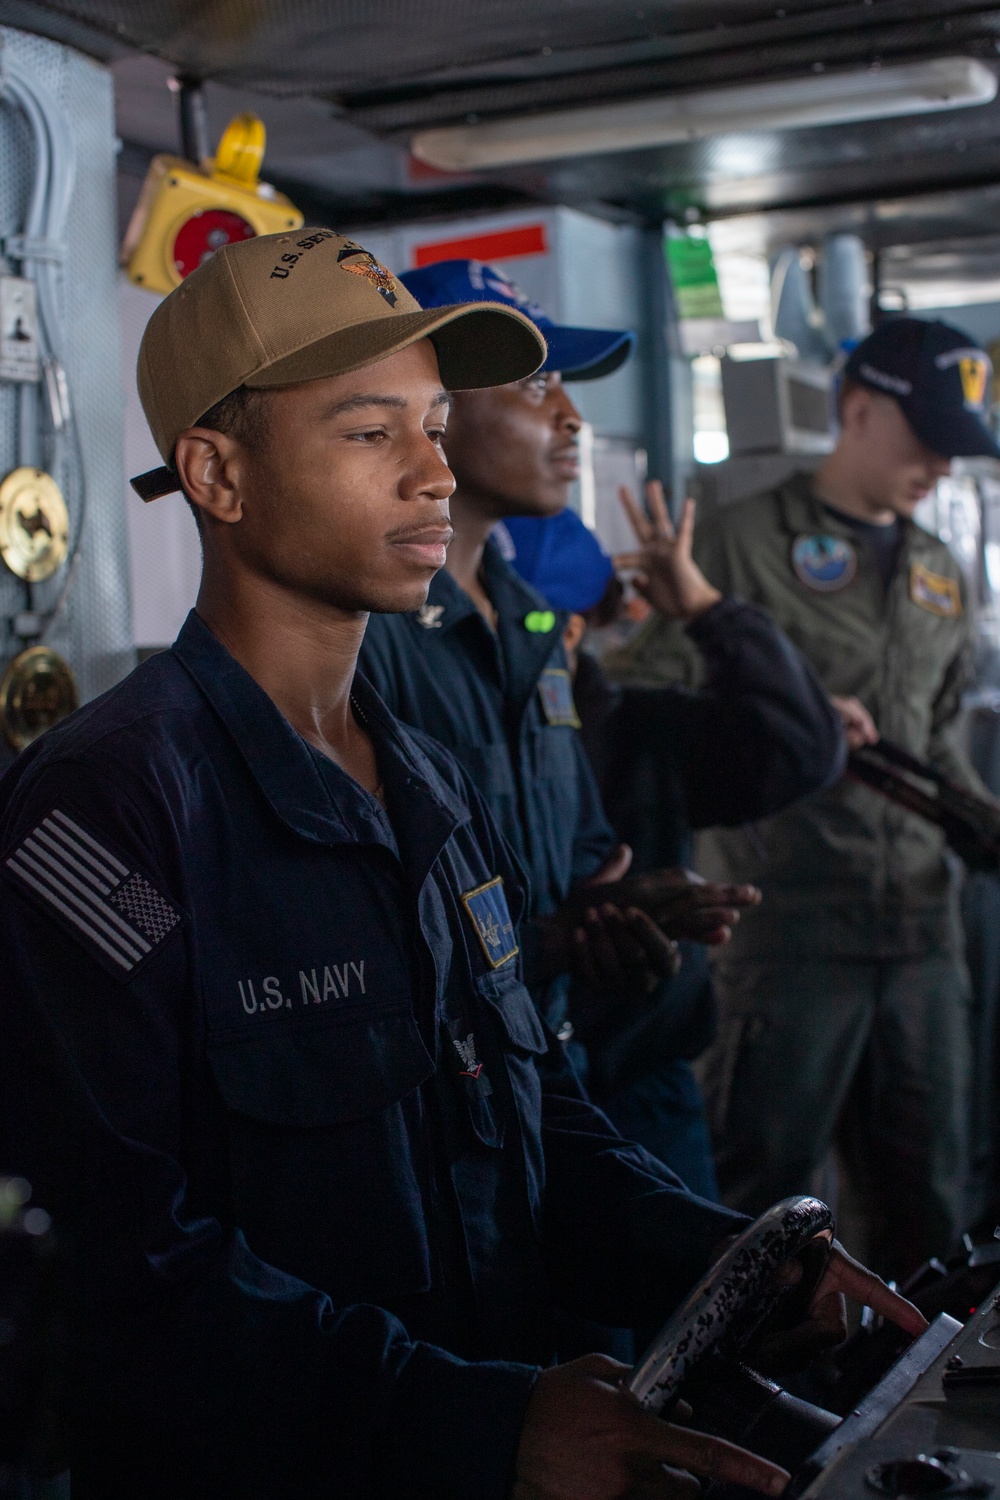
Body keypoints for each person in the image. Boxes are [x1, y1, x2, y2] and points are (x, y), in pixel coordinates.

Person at [0, 228, 923, 1499]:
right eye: (372, 431)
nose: (434, 474)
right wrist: (476, 1424)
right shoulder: (106, 810)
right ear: (216, 473)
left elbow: (532, 1117)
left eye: (436, 425)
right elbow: (115, 1264)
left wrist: (737, 1263)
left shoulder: (425, 777)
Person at [608, 316, 999, 1280]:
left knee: (928, 1207)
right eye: (928, 442)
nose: (941, 470)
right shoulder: (736, 543)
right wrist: (786, 708)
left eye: (958, 451)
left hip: (919, 933)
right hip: (787, 938)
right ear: (856, 410)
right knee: (757, 1210)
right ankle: (738, 1424)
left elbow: (939, 731)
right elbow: (641, 714)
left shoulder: (939, 569)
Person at [360, 259, 764, 1078]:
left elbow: (577, 844)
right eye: (539, 384)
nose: (574, 418)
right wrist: (549, 939)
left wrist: (612, 907)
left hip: (549, 1065)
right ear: (430, 401)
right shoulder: (369, 631)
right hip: (434, 1078)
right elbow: (364, 918)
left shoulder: (532, 621)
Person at [503, 495, 846, 1192]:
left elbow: (801, 746)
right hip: (500, 1093)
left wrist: (707, 611)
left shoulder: (643, 732)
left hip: (640, 1086)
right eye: (525, 618)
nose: (547, 640)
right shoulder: (434, 737)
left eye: (566, 622)